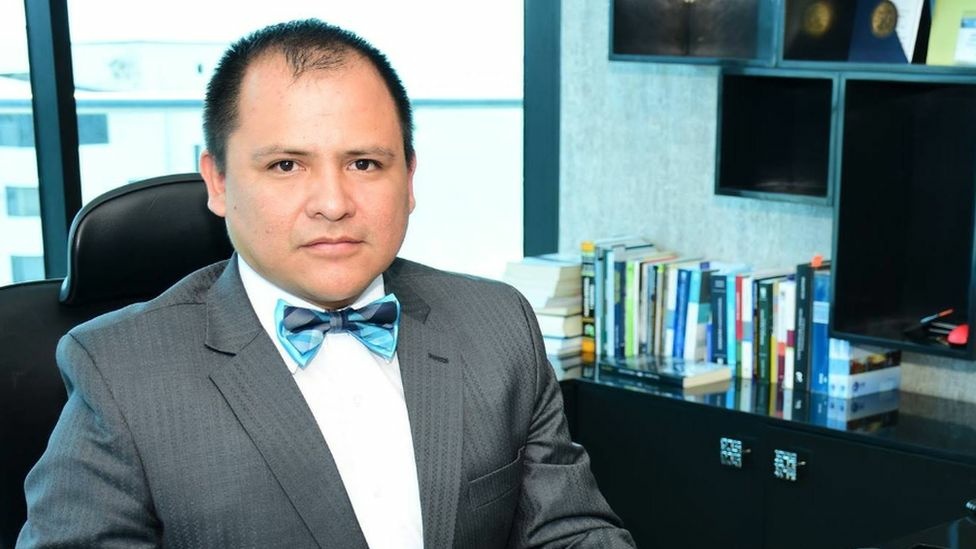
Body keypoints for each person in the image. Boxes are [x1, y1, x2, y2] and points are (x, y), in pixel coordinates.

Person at [18, 19, 635, 549]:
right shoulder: (120, 372)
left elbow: (569, 531)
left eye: (365, 163)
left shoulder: (497, 322)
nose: (334, 203)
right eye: (286, 165)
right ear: (219, 181)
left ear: (409, 177)